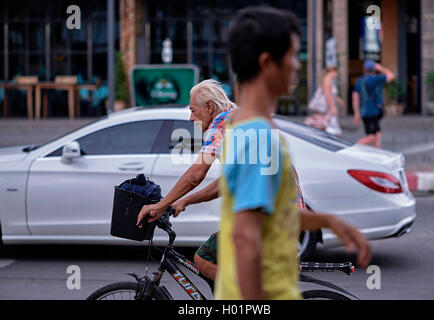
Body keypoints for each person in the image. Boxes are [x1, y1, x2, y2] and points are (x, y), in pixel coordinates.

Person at [212, 6, 370, 300]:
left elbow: (274, 217)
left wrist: (328, 221)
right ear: (268, 62)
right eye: (294, 55)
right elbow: (246, 237)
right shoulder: (258, 136)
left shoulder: (243, 127)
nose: (298, 65)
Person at [137, 79, 237, 224]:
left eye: (193, 111)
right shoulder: (235, 117)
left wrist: (160, 206)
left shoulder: (220, 123)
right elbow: (225, 183)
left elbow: (195, 175)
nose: (191, 119)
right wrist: (185, 201)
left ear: (209, 107)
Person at [352, 60, 395, 148]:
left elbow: (355, 97)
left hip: (365, 112)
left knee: (377, 133)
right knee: (371, 136)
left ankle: (377, 151)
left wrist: (356, 112)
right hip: (374, 111)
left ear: (364, 69)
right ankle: (355, 147)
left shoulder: (359, 81)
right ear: (374, 69)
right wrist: (380, 68)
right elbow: (391, 75)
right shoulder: (377, 78)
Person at [304, 66, 345, 135]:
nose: (336, 75)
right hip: (326, 109)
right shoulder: (327, 80)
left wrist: (338, 100)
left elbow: (331, 94)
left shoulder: (329, 80)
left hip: (327, 110)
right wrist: (332, 107)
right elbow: (327, 94)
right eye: (336, 73)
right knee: (331, 131)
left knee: (327, 129)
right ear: (332, 71)